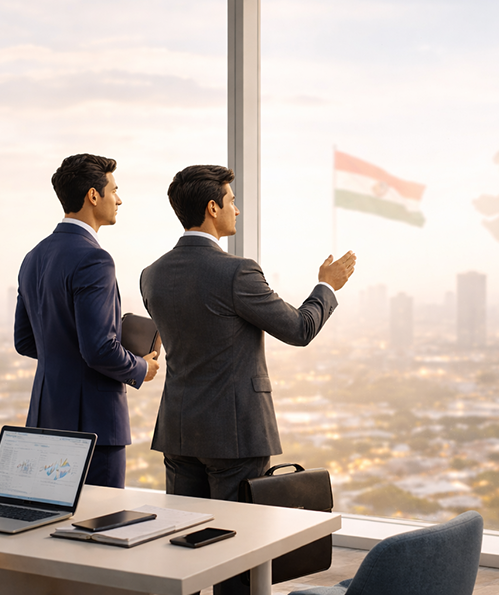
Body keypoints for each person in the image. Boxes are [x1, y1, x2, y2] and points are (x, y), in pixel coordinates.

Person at [140, 164, 355, 507]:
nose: (236, 209)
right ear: (213, 208)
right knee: (239, 539)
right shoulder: (237, 272)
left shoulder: (151, 275)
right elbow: (300, 329)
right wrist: (326, 285)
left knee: (184, 533)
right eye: (231, 200)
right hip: (235, 435)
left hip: (178, 430)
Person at [14, 153, 160, 488]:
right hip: (93, 426)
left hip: (44, 418)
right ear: (93, 196)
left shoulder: (32, 257)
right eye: (114, 190)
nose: (119, 199)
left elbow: (25, 341)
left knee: (51, 525)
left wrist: (69, 351)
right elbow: (98, 349)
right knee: (98, 525)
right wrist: (141, 368)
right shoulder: (94, 259)